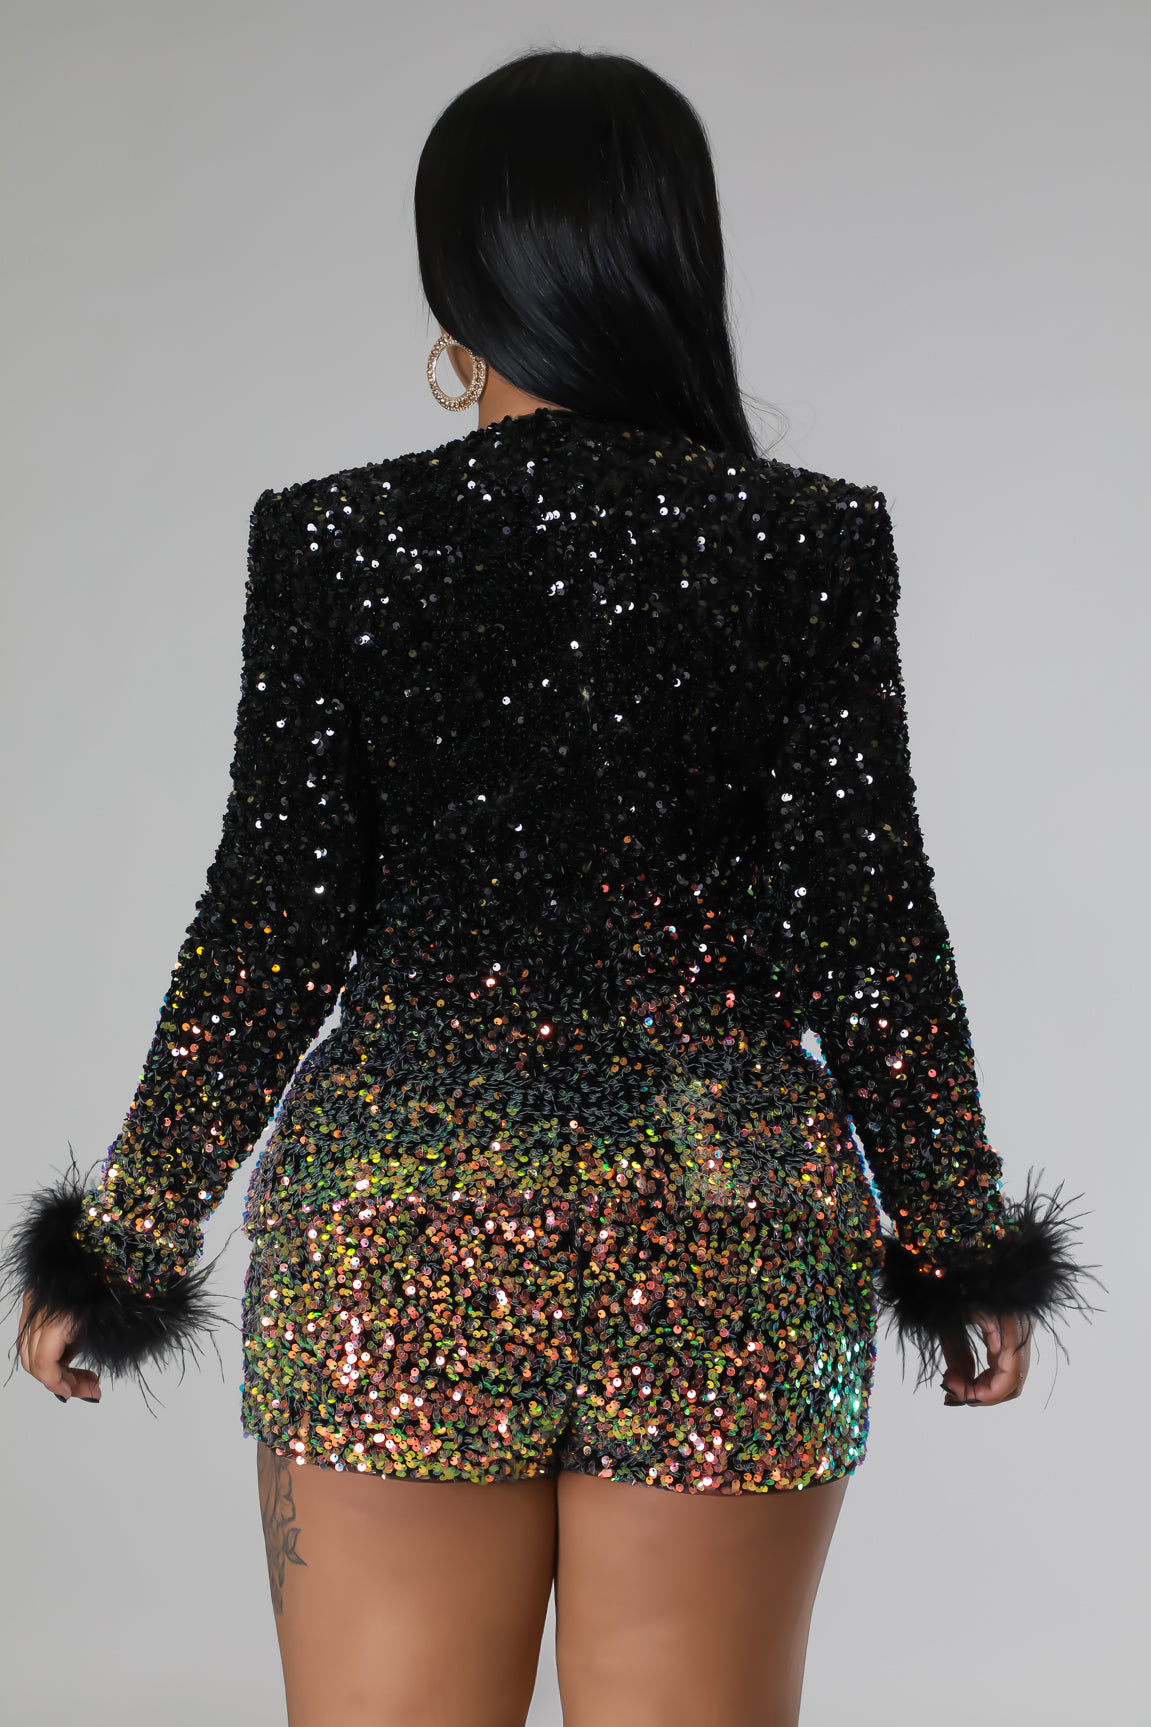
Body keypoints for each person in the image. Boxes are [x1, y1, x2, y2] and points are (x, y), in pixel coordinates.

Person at [5, 47, 1088, 1727]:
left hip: (396, 1224)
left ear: (456, 278)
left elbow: (273, 921)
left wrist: (128, 1244)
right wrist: (952, 1236)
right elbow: (869, 920)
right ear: (674, 256)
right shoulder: (806, 543)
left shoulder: (334, 543)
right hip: (726, 1229)